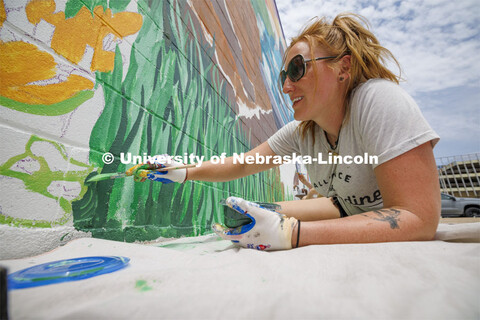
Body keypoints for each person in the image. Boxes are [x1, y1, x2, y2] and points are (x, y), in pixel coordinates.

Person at [130, 13, 440, 251]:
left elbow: (419, 218)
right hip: (343, 208)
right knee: (240, 213)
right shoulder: (303, 132)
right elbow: (242, 163)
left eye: (297, 69)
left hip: (369, 214)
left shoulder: (377, 101)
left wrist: (291, 233)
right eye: (283, 75)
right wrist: (183, 171)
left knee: (268, 224)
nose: (286, 86)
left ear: (343, 68)